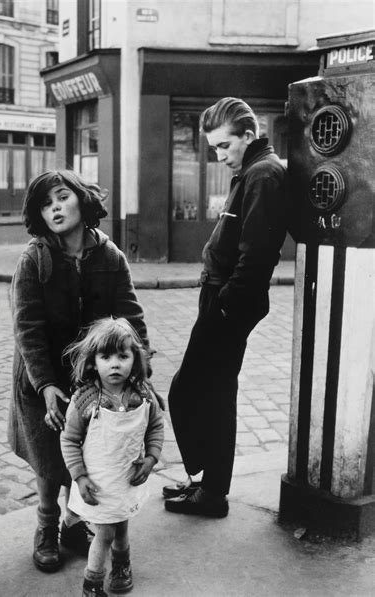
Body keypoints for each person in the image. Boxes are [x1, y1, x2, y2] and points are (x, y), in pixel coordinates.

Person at [8, 169, 151, 573]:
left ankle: (73, 524)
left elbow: (132, 320)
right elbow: (27, 329)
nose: (54, 207)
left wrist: (142, 371)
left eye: (61, 197)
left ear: (81, 200)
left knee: (84, 452)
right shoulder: (34, 259)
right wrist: (46, 385)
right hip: (41, 379)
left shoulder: (111, 257)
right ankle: (46, 526)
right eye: (44, 203)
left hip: (90, 379)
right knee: (48, 459)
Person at [163, 97, 287, 517]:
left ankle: (212, 491)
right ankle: (207, 484)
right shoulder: (252, 170)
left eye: (223, 146)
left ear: (248, 136)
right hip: (221, 296)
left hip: (227, 299)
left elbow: (256, 257)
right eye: (214, 147)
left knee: (192, 392)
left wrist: (224, 308)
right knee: (210, 392)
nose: (218, 156)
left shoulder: (263, 174)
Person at [61, 317, 164, 596]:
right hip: (97, 483)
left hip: (127, 478)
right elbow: (69, 439)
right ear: (94, 362)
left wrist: (151, 458)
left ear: (135, 359)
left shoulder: (142, 396)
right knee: (104, 533)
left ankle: (121, 565)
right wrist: (79, 477)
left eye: (123, 355)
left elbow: (155, 427)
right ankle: (92, 584)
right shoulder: (85, 400)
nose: (115, 363)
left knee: (121, 525)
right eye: (106, 356)